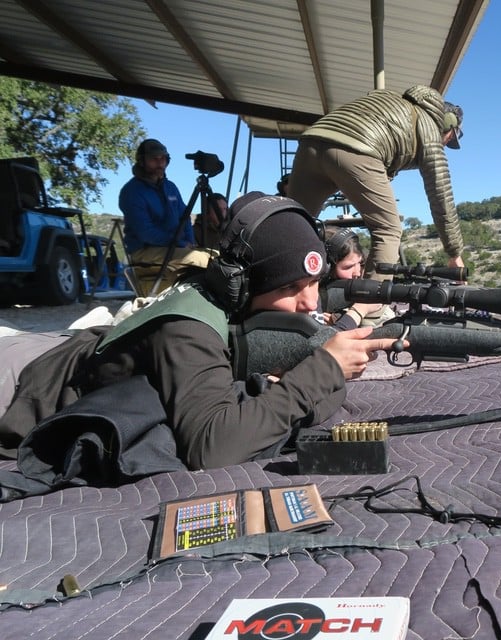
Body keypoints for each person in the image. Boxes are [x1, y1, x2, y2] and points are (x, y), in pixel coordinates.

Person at [0, 192, 400, 472]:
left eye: (314, 284)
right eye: (289, 288)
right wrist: (322, 370)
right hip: (24, 380)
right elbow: (213, 448)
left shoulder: (232, 305)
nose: (310, 303)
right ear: (240, 284)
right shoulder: (188, 330)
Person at [287, 85, 466, 283]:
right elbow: (441, 196)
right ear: (447, 125)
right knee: (388, 230)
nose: (446, 145)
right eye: (450, 139)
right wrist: (454, 253)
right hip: (357, 148)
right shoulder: (430, 127)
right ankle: (370, 308)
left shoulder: (393, 102)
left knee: (293, 225)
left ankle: (273, 294)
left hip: (311, 141)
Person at [119, 138, 212, 294]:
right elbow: (145, 233)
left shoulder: (170, 187)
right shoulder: (132, 191)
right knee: (204, 260)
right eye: (154, 159)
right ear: (142, 161)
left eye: (163, 159)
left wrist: (190, 241)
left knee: (216, 255)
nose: (160, 163)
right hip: (144, 249)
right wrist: (181, 244)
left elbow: (185, 217)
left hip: (175, 246)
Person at [319, 227, 382, 329]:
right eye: (348, 267)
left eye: (360, 263)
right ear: (327, 267)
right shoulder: (313, 300)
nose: (357, 273)